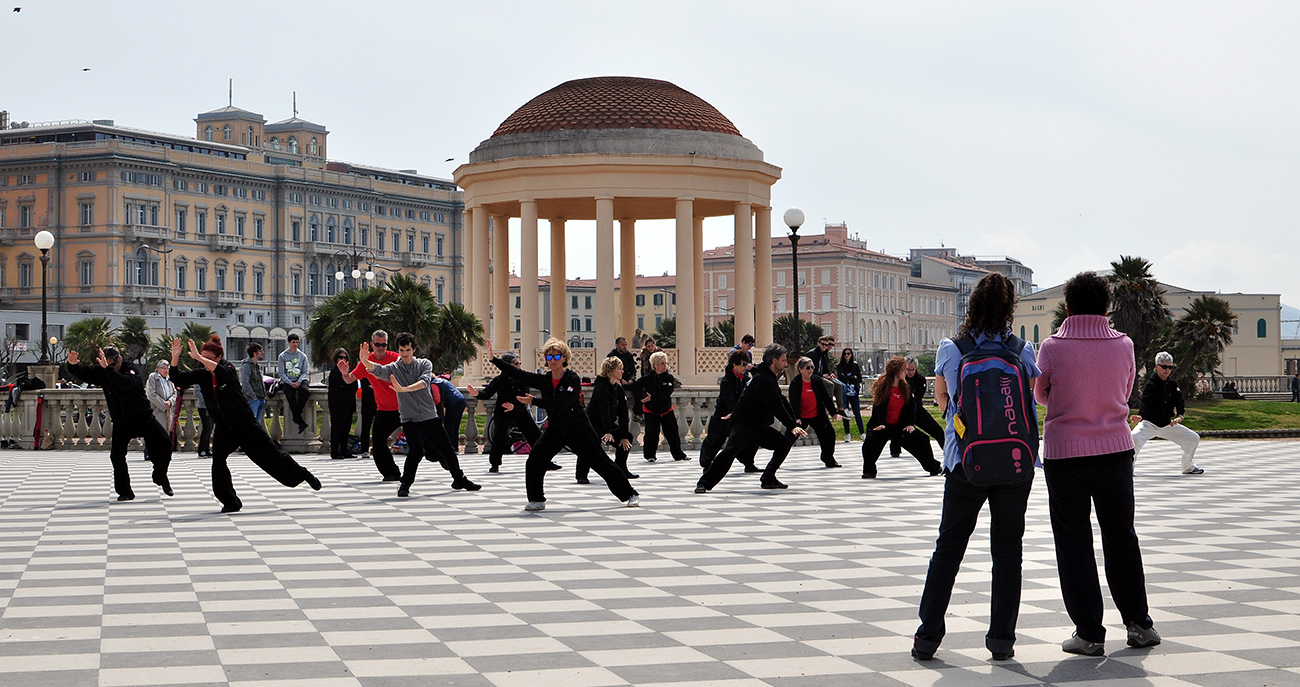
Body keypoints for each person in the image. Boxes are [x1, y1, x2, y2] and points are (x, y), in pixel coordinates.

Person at [912, 272, 1040, 662]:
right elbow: (1028, 402)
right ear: (1010, 309)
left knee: (949, 549)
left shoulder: (952, 348)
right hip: (1016, 463)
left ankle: (928, 637)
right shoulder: (1023, 350)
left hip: (965, 462)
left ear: (973, 305)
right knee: (1008, 553)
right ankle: (1002, 640)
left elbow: (943, 397)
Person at [1036, 271, 1161, 656]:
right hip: (1115, 450)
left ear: (1068, 307)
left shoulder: (1052, 347)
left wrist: (1068, 401)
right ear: (1107, 307)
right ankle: (1139, 624)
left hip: (1065, 453)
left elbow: (1041, 394)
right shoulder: (1124, 344)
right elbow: (1125, 391)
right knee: (1121, 536)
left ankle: (1089, 633)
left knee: (1073, 541)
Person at [170, 336, 321, 512]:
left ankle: (302, 474)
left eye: (208, 359)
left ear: (219, 358)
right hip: (224, 427)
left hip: (244, 423)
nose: (203, 362)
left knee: (271, 454)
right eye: (202, 358)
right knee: (218, 462)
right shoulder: (202, 374)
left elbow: (221, 372)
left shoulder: (228, 369)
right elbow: (177, 378)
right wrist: (175, 357)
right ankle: (231, 502)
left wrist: (198, 357)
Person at [488, 338, 640, 511]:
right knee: (534, 460)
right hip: (556, 430)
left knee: (601, 463)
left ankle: (630, 494)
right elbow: (519, 374)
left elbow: (562, 403)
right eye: (549, 357)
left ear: (564, 358)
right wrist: (494, 360)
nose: (552, 360)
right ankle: (536, 500)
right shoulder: (545, 380)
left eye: (556, 356)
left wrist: (534, 401)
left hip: (579, 430)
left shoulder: (572, 379)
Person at [357, 333, 480, 497]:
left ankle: (459, 479)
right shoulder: (394, 368)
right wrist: (364, 361)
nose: (405, 354)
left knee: (448, 450)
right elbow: (378, 369)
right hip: (410, 420)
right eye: (401, 350)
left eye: (408, 350)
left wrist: (404, 389)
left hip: (430, 417)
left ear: (414, 349)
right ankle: (404, 485)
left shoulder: (424, 364)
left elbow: (424, 382)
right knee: (416, 452)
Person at [695, 344, 808, 492]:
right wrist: (792, 425)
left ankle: (768, 478)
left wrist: (794, 420)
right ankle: (703, 483)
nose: (785, 364)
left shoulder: (768, 377)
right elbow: (776, 406)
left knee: (783, 444)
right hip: (744, 424)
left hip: (758, 425)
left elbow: (781, 400)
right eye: (783, 360)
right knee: (730, 451)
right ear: (774, 361)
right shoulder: (763, 380)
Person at [66, 346, 174, 501]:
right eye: (107, 365)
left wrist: (107, 370)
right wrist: (72, 365)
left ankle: (160, 475)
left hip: (143, 418)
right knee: (117, 456)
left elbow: (125, 383)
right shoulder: (104, 370)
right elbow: (84, 372)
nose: (110, 368)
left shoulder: (132, 369)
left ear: (120, 359)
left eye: (113, 365)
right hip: (121, 421)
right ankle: (125, 491)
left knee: (165, 443)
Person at [860, 357, 942, 478]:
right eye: (904, 370)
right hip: (883, 425)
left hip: (900, 426)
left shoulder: (905, 386)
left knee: (922, 439)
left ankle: (933, 467)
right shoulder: (883, 386)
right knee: (870, 443)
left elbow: (911, 407)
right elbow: (878, 407)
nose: (906, 373)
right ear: (897, 371)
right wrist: (880, 423)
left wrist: (909, 424)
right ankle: (869, 470)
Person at [467, 352, 548, 473]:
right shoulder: (499, 380)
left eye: (520, 363)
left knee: (534, 434)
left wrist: (514, 406)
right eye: (516, 363)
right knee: (499, 436)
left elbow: (525, 395)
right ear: (507, 365)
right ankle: (495, 464)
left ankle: (546, 461)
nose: (519, 365)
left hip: (519, 410)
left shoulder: (522, 379)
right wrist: (477, 394)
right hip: (503, 412)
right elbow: (487, 393)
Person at [1130, 351, 1203, 475]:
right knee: (1133, 438)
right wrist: (1140, 416)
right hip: (1149, 424)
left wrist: (1180, 416)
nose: (1167, 370)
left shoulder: (1173, 384)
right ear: (1157, 366)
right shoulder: (1151, 384)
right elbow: (1146, 402)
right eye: (1164, 367)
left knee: (1193, 438)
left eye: (1170, 367)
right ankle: (1128, 469)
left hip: (1167, 424)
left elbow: (1179, 401)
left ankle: (1188, 466)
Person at [350, 330, 404, 481]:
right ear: (372, 345)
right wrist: (344, 371)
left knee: (424, 436)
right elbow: (350, 378)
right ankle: (391, 473)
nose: (381, 348)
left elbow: (405, 377)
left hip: (403, 407)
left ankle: (445, 459)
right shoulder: (366, 361)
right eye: (378, 345)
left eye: (384, 345)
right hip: (384, 409)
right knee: (378, 441)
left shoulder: (395, 358)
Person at [698, 350, 761, 473]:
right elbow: (729, 400)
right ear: (734, 365)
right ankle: (707, 465)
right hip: (723, 416)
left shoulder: (746, 380)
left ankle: (749, 463)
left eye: (746, 364)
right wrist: (732, 412)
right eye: (742, 364)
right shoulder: (726, 381)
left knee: (753, 436)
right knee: (716, 440)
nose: (745, 367)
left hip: (738, 416)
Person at [581, 356, 638, 482]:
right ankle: (581, 474)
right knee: (592, 441)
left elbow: (623, 413)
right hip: (592, 422)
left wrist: (623, 435)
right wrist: (607, 431)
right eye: (619, 369)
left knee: (627, 437)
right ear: (611, 371)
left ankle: (621, 469)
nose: (622, 371)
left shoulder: (618, 388)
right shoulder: (602, 388)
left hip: (607, 423)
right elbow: (604, 410)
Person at [628, 350, 689, 463]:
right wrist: (619, 385)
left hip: (666, 409)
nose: (665, 365)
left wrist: (653, 397)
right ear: (655, 365)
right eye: (662, 363)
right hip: (651, 410)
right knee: (651, 434)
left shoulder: (669, 378)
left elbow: (667, 392)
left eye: (665, 363)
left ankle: (678, 454)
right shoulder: (647, 378)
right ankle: (650, 455)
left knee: (673, 433)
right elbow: (634, 386)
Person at [789, 356, 843, 468]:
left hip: (817, 415)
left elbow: (826, 398)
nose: (811, 370)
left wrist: (834, 413)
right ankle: (776, 461)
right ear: (800, 369)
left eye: (812, 367)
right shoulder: (795, 383)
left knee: (830, 435)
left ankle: (828, 459)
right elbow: (794, 402)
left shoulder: (817, 381)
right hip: (801, 418)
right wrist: (796, 417)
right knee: (788, 439)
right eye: (807, 367)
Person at [892, 356, 946, 456]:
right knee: (896, 426)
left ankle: (947, 450)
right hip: (901, 410)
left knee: (937, 430)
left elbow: (917, 399)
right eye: (908, 370)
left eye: (912, 370)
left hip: (917, 409)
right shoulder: (899, 379)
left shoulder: (920, 380)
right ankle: (895, 449)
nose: (910, 372)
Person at [327, 348, 359, 460]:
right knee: (337, 428)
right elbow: (344, 385)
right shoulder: (334, 373)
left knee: (346, 428)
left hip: (348, 404)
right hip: (337, 405)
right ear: (336, 359)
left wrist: (348, 383)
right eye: (340, 357)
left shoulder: (349, 373)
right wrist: (347, 384)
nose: (343, 360)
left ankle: (345, 450)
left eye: (345, 358)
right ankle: (335, 451)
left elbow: (354, 386)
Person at [278, 333, 311, 433]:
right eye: (293, 342)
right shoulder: (282, 356)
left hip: (300, 379)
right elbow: (281, 373)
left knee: (305, 392)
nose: (295, 344)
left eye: (297, 342)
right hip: (287, 380)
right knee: (290, 396)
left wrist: (299, 381)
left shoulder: (302, 356)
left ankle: (296, 415)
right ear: (289, 343)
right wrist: (290, 383)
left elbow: (305, 371)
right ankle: (300, 422)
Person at [431, 374, 467, 453]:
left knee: (449, 425)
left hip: (453, 403)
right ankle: (455, 447)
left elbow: (437, 399)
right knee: (455, 426)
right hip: (461, 400)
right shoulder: (442, 380)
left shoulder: (434, 384)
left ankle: (450, 449)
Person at [145, 361, 177, 446]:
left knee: (165, 434)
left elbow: (174, 393)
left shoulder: (169, 379)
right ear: (158, 369)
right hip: (156, 410)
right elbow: (151, 394)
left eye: (167, 368)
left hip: (168, 411)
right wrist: (163, 404)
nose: (166, 370)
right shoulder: (153, 377)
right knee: (155, 433)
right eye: (164, 368)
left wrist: (170, 401)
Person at [836, 348, 865, 441]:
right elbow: (840, 378)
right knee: (846, 413)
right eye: (845, 354)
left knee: (857, 412)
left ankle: (862, 433)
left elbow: (859, 379)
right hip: (844, 392)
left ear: (851, 355)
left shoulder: (855, 365)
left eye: (848, 353)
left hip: (854, 392)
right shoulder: (840, 366)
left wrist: (849, 379)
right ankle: (847, 434)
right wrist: (852, 377)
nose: (846, 355)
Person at [240, 343, 269, 424]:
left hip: (260, 398)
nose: (262, 352)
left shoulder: (256, 365)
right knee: (251, 423)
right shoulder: (246, 366)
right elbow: (245, 383)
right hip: (252, 399)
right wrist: (253, 396)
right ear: (254, 353)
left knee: (257, 424)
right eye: (260, 351)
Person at [193, 381, 213, 457]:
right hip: (203, 407)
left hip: (212, 406)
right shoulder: (199, 379)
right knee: (207, 427)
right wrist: (208, 399)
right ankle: (201, 449)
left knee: (210, 428)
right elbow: (197, 393)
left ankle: (207, 449)